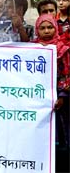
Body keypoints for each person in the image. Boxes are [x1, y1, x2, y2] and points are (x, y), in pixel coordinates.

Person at [31, 14, 69, 172]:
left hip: (61, 103)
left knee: (62, 138)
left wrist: (61, 96)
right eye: (42, 28)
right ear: (37, 30)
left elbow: (66, 75)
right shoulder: (31, 49)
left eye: (50, 27)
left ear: (55, 28)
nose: (46, 31)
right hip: (37, 101)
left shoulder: (63, 48)